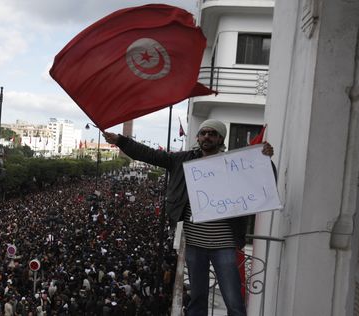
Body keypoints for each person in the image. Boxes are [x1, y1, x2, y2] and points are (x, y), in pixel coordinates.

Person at [103, 119, 274, 316]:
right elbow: (151, 155)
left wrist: (265, 160)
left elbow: (263, 182)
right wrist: (121, 141)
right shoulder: (182, 161)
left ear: (220, 138)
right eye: (203, 133)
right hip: (194, 244)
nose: (207, 136)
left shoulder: (234, 164)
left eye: (212, 133)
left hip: (224, 244)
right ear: (198, 137)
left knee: (234, 301)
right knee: (197, 299)